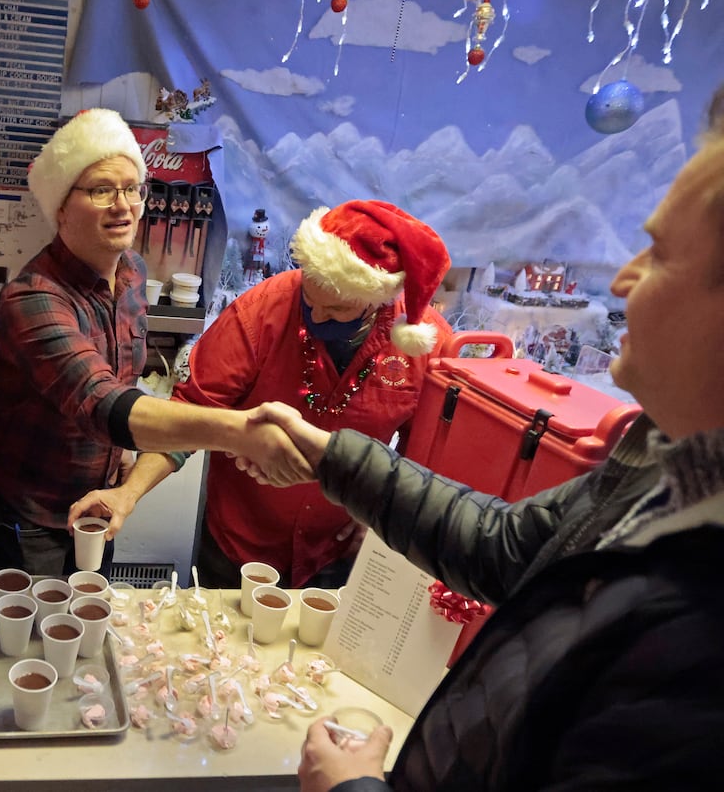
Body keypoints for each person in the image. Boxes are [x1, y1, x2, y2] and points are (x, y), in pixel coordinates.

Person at [277, 86, 724, 792]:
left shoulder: (695, 657)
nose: (622, 278)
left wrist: (350, 790)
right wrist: (328, 453)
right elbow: (511, 547)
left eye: (660, 253)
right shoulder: (660, 463)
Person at [0, 108, 312, 577]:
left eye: (133, 188)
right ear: (59, 207)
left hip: (100, 502)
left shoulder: (132, 271)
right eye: (100, 190)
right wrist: (241, 432)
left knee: (87, 625)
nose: (124, 205)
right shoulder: (33, 299)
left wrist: (125, 473)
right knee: (36, 640)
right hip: (33, 516)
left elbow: (123, 374)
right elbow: (102, 402)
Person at [71, 201, 452, 589]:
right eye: (310, 301)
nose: (316, 318)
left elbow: (426, 451)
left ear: (377, 300)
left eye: (335, 311)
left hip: (336, 549)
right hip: (239, 543)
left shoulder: (423, 344)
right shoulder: (262, 310)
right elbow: (191, 411)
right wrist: (128, 493)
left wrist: (382, 514)